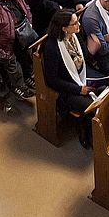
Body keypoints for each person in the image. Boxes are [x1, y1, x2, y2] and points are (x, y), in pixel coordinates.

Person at [40, 9, 97, 148]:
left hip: (81, 76)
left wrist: (93, 48)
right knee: (93, 108)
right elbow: (52, 80)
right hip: (67, 89)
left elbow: (85, 58)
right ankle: (86, 134)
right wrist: (78, 90)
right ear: (64, 28)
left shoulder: (74, 36)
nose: (79, 25)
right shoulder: (51, 47)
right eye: (75, 23)